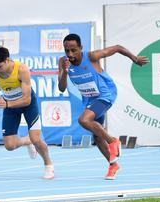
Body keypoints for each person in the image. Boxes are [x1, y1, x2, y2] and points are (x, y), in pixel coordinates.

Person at [58, 33, 147, 180]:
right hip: (90, 99)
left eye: (74, 50)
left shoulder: (92, 57)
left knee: (84, 120)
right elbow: (61, 88)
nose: (70, 54)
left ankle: (113, 141)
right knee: (98, 137)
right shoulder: (63, 62)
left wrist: (135, 58)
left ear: (81, 48)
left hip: (105, 94)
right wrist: (65, 72)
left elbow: (118, 48)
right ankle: (113, 165)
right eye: (67, 50)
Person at [0, 47, 54, 180]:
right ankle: (27, 141)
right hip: (10, 105)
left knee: (37, 140)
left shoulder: (21, 70)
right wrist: (2, 91)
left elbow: (26, 100)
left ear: (7, 60)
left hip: (28, 105)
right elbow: (0, 81)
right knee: (9, 146)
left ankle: (48, 165)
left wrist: (7, 104)